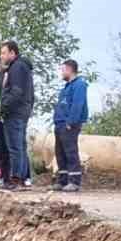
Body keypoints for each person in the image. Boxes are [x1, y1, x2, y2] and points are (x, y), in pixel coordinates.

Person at [0, 41, 35, 188]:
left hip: (15, 112)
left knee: (15, 147)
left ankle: (16, 179)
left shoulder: (17, 67)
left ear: (13, 53)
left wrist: (3, 106)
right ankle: (24, 179)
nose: (1, 56)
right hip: (22, 111)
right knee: (20, 145)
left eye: (4, 53)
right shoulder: (21, 67)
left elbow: (16, 91)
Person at [52, 59, 89, 192]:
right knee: (60, 153)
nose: (61, 73)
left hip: (69, 125)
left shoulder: (79, 84)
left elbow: (77, 105)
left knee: (70, 152)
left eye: (62, 70)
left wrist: (71, 122)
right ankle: (62, 180)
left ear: (69, 69)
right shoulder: (66, 87)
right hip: (59, 124)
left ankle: (74, 181)